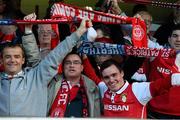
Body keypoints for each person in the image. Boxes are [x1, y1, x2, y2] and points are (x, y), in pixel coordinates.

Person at [0, 18, 89, 116]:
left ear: (23, 60)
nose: (12, 60)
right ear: (1, 60)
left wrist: (79, 32)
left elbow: (57, 54)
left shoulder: (36, 76)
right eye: (8, 57)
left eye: (17, 57)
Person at [94, 59, 180, 118]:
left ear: (122, 73)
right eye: (106, 77)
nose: (111, 80)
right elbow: (92, 75)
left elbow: (163, 84)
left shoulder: (138, 89)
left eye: (114, 75)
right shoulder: (103, 88)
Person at [48, 52, 101, 117]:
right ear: (63, 67)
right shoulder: (52, 83)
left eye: (76, 63)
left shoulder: (92, 87)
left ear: (82, 68)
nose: (71, 65)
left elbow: (96, 114)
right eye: (68, 63)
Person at [147, 24, 180, 118]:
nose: (178, 39)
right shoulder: (157, 53)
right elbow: (140, 37)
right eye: (175, 36)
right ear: (169, 39)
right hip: (155, 113)